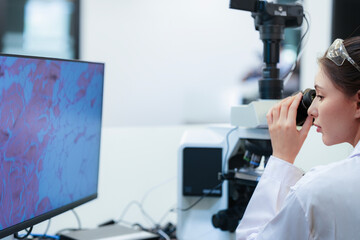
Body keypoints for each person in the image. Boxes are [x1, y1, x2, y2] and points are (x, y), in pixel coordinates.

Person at [236, 36, 360, 240]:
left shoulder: (317, 190)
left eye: (320, 96)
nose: (311, 109)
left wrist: (281, 160)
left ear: (358, 104)